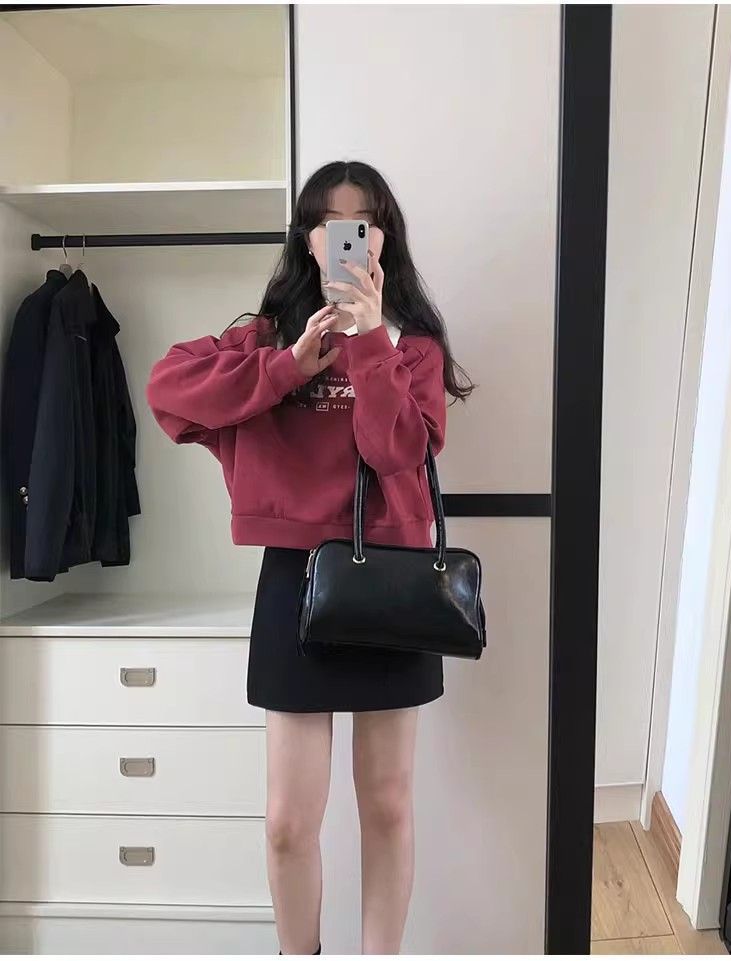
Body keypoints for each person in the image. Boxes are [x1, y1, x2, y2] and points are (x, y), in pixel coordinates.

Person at [145, 160, 476, 955]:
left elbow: (396, 452)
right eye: (332, 222)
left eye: (365, 221)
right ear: (307, 238)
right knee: (288, 823)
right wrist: (290, 365)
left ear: (385, 238)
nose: (349, 236)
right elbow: (168, 390)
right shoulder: (265, 340)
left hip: (394, 576)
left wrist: (370, 343)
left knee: (387, 806)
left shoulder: (413, 349)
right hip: (296, 579)